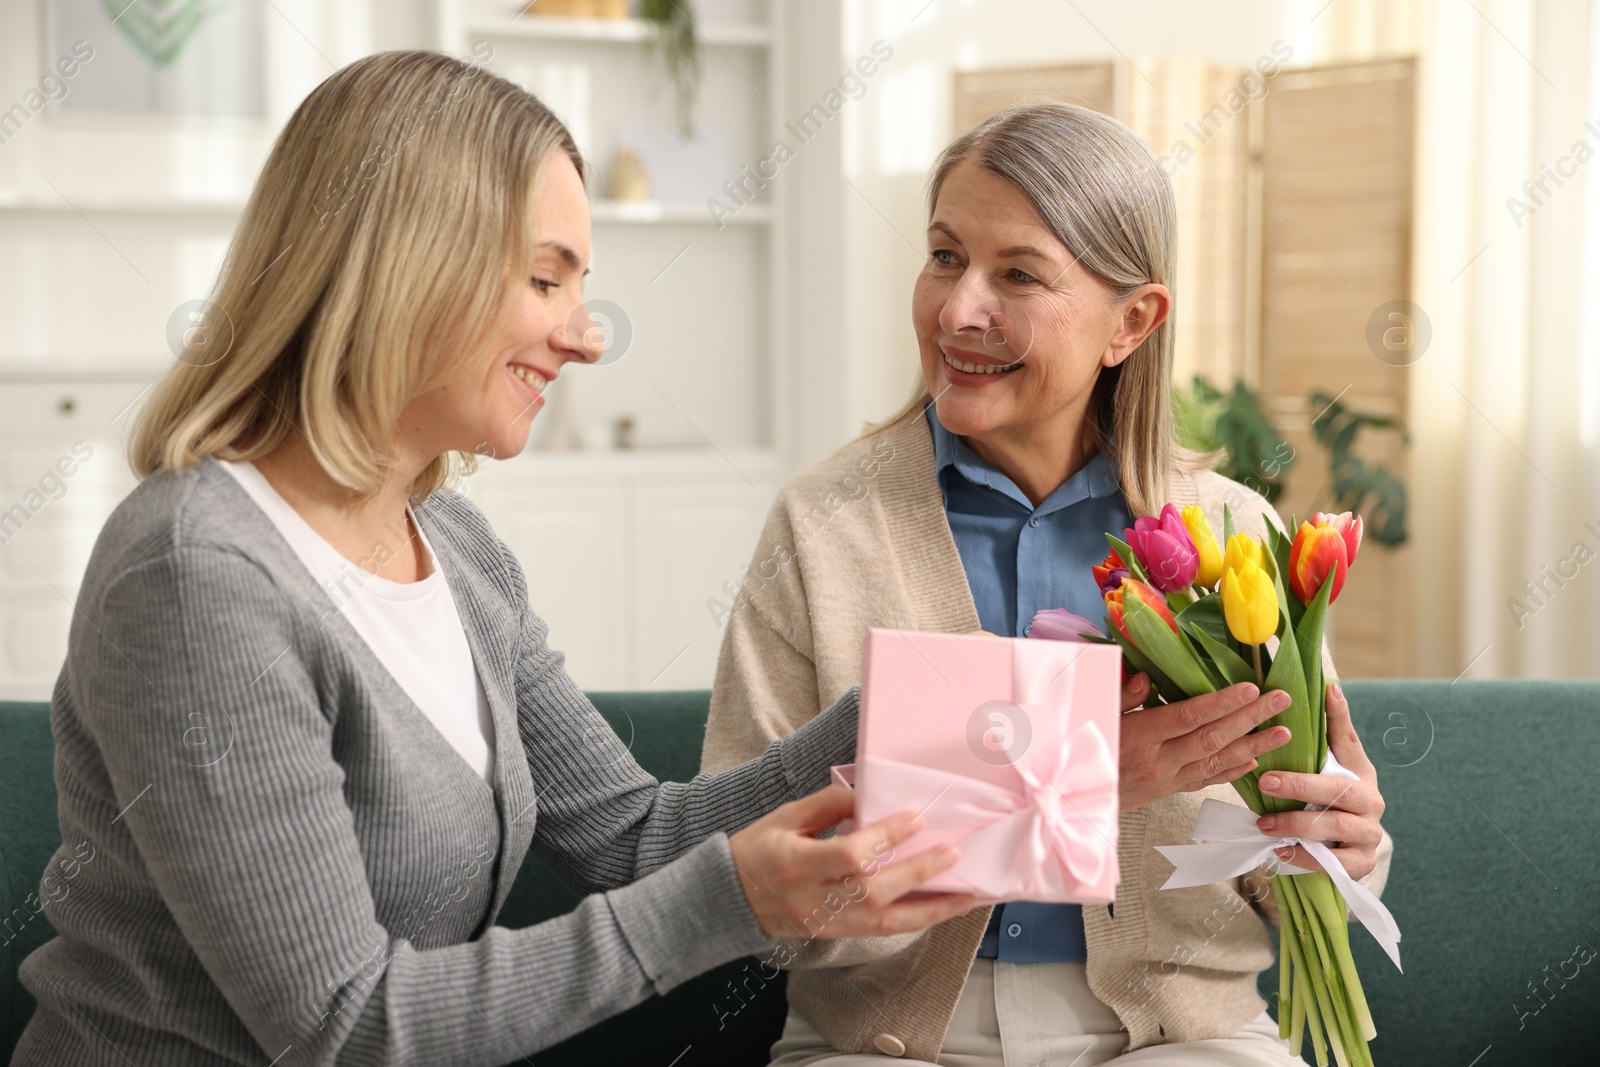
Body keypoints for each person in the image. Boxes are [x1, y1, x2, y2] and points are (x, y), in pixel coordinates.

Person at [11, 51, 978, 1066]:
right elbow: (344, 1025)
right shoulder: (198, 575)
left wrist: (902, 711)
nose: (586, 335)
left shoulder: (457, 546)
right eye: (545, 278)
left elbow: (634, 837)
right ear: (404, 265)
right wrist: (725, 900)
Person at [701, 102, 1394, 1066]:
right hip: (885, 1039)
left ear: (1134, 320)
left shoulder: (1231, 533)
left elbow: (1282, 865)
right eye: (945, 256)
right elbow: (749, 890)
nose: (956, 310)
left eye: (1017, 274)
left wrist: (1335, 851)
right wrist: (1060, 788)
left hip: (1183, 1034)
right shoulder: (824, 526)